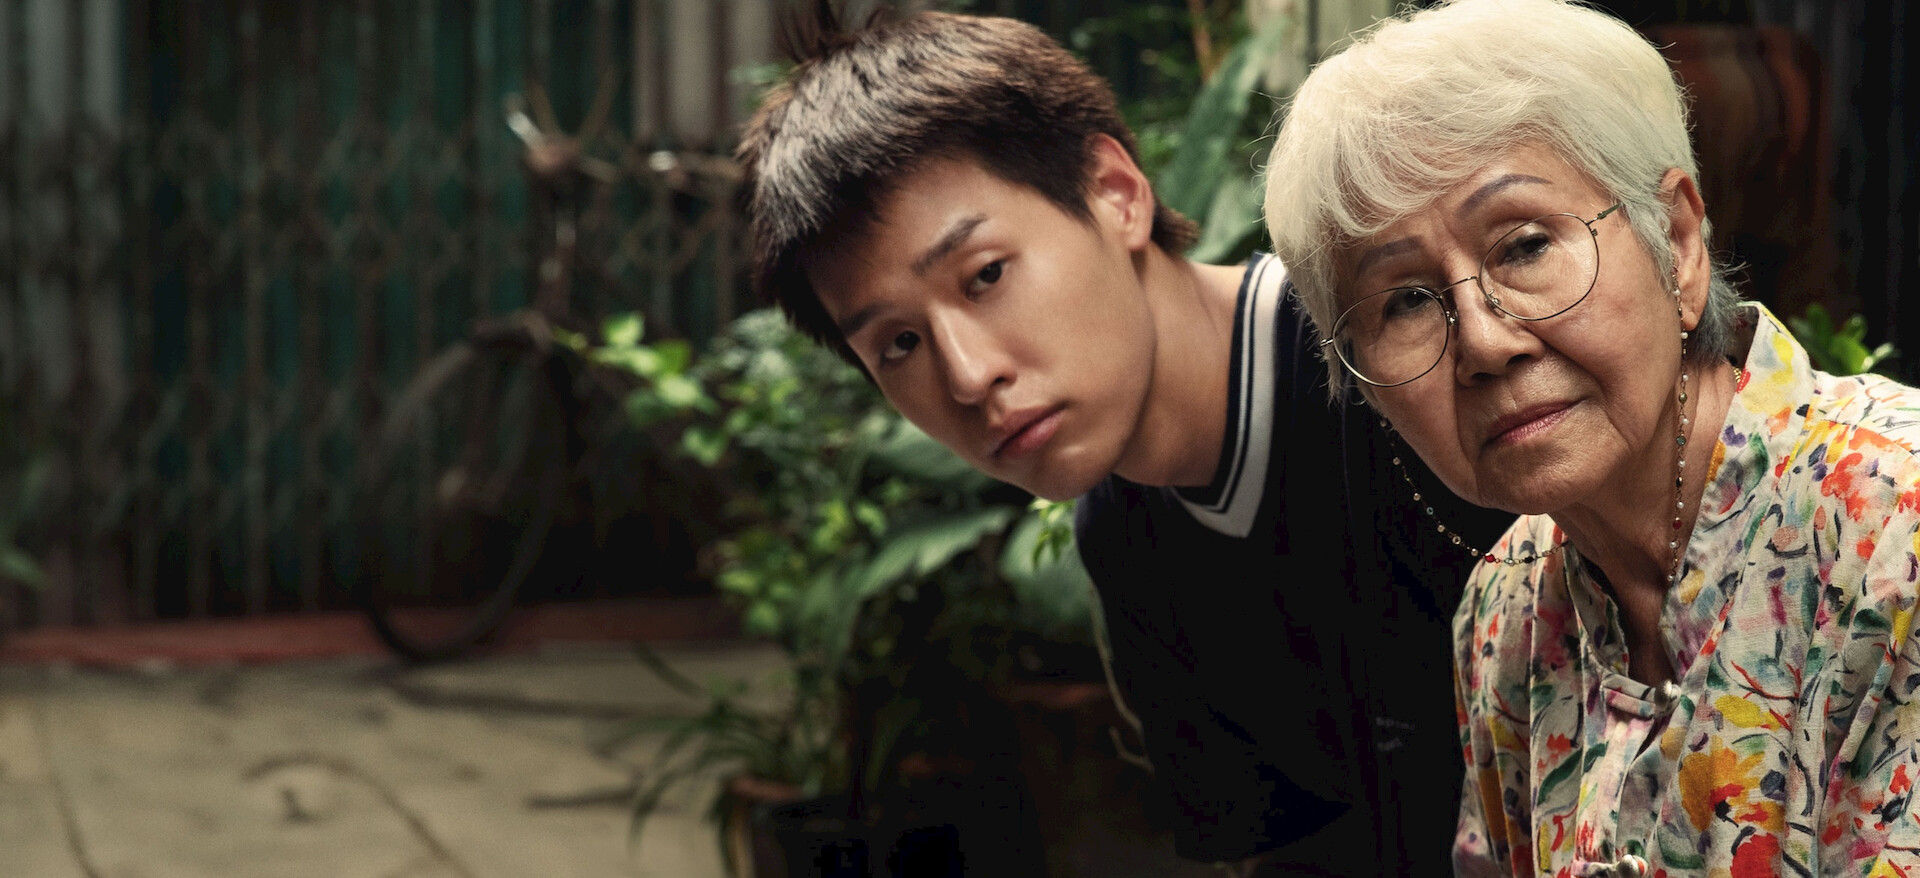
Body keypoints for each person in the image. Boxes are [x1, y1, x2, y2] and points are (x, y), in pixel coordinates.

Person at [737, 3, 1507, 875]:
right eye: (899, 344)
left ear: (1116, 193)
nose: (967, 375)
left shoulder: (1394, 361)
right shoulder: (1127, 534)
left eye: (985, 275)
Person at [1263, 0, 1920, 874]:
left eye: (1525, 246)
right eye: (1407, 301)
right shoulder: (1505, 611)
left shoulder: (1893, 533)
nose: (1483, 343)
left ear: (1676, 242)